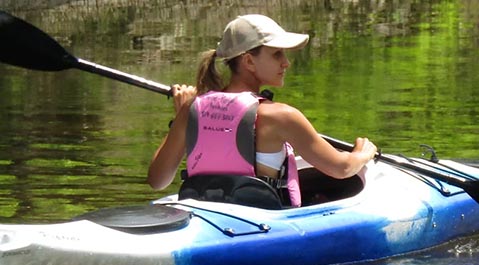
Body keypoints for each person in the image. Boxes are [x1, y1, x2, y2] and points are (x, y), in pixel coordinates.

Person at [148, 14, 378, 208]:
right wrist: (362, 153)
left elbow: (157, 180)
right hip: (260, 224)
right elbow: (342, 168)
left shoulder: (192, 108)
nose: (286, 63)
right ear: (249, 61)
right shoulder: (282, 116)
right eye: (277, 54)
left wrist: (182, 117)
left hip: (207, 214)